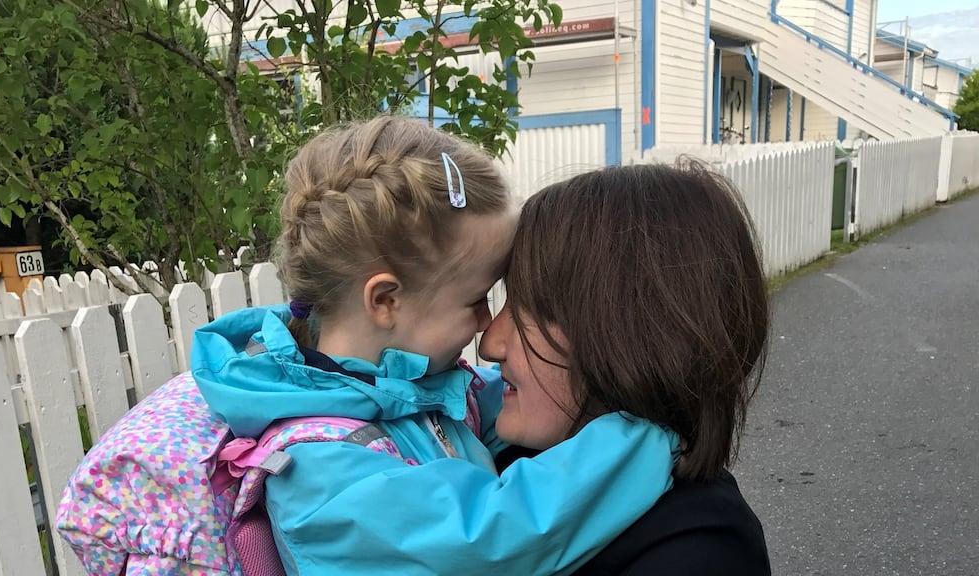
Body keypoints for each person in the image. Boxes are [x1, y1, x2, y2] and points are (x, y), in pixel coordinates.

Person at [190, 116, 679, 576]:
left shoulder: (400, 391)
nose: (490, 330)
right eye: (477, 299)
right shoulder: (323, 471)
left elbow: (497, 395)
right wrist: (650, 432)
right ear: (385, 300)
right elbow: (495, 534)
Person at [482, 162, 772, 575]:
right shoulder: (515, 469)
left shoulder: (695, 552)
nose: (490, 344)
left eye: (534, 308)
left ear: (634, 335)